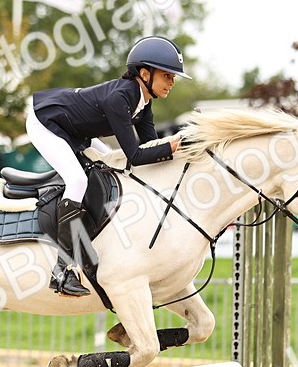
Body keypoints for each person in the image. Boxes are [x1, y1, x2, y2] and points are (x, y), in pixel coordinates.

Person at [27, 35, 188, 296]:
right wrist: (173, 147)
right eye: (167, 75)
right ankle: (63, 270)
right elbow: (136, 156)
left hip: (76, 130)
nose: (172, 81)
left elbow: (150, 148)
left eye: (173, 76)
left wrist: (181, 150)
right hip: (45, 121)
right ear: (145, 73)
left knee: (109, 162)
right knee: (78, 180)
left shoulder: (144, 104)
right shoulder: (120, 98)